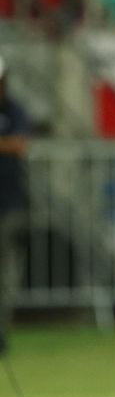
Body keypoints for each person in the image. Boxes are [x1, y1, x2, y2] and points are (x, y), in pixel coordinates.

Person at [0, 54, 30, 329]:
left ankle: (2, 330)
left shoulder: (15, 110)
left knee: (7, 272)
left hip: (10, 201)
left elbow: (20, 145)